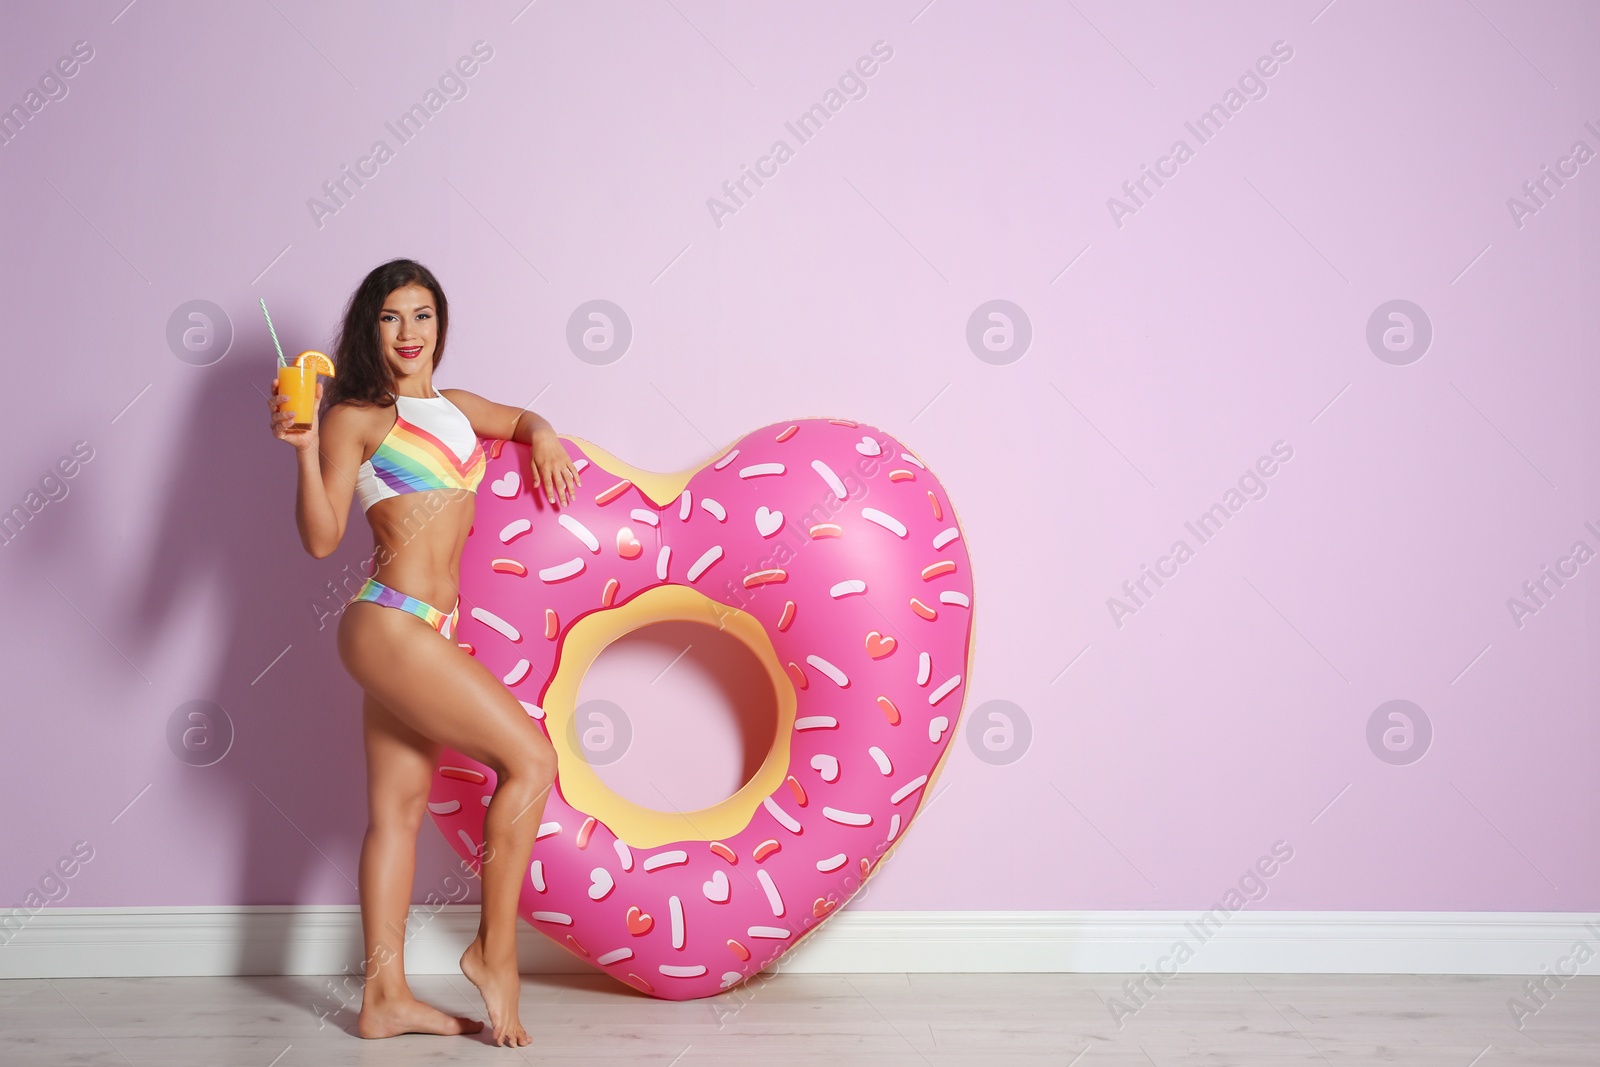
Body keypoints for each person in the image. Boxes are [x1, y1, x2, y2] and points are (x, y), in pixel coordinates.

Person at [268, 258, 577, 1048]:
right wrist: (303, 449)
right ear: (371, 329)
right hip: (390, 622)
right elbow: (320, 538)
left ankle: (384, 997)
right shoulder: (356, 417)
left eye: (423, 316)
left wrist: (542, 435)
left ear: (441, 325)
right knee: (533, 763)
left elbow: (524, 420)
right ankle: (494, 954)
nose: (408, 333)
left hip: (429, 632)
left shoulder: (460, 409)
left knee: (396, 815)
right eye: (391, 318)